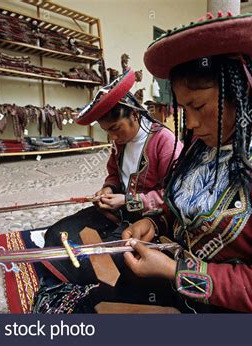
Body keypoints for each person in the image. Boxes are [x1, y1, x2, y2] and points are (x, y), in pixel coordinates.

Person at [120, 10, 252, 313]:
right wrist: (154, 222)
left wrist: (175, 272)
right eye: (183, 109)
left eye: (198, 105)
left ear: (239, 92)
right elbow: (181, 210)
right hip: (165, 282)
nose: (190, 123)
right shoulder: (204, 142)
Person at [42, 68, 182, 284]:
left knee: (96, 265)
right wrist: (108, 189)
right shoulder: (120, 143)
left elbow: (175, 195)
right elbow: (115, 175)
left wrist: (129, 200)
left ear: (134, 114)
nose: (114, 137)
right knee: (57, 233)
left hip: (148, 221)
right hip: (118, 214)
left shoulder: (165, 141)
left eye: (116, 128)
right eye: (108, 132)